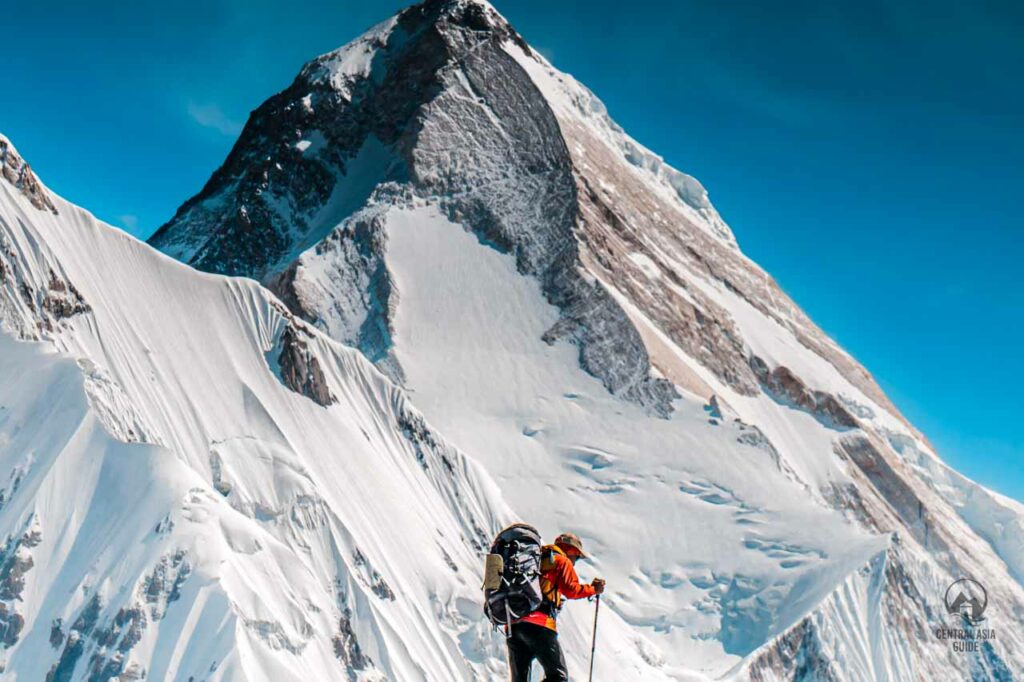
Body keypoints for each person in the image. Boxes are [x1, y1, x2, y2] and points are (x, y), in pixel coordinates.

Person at [507, 532, 606, 682]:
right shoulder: (561, 561)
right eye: (577, 557)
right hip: (539, 624)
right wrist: (593, 590)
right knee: (558, 677)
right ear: (571, 550)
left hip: (513, 624)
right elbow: (571, 590)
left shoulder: (534, 561)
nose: (575, 561)